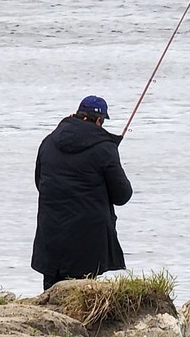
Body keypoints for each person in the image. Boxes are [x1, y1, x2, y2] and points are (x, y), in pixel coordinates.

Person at [31, 95, 133, 291]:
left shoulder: (49, 142)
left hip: (51, 235)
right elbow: (122, 195)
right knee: (81, 297)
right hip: (88, 242)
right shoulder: (105, 149)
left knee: (51, 295)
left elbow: (40, 182)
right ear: (98, 121)